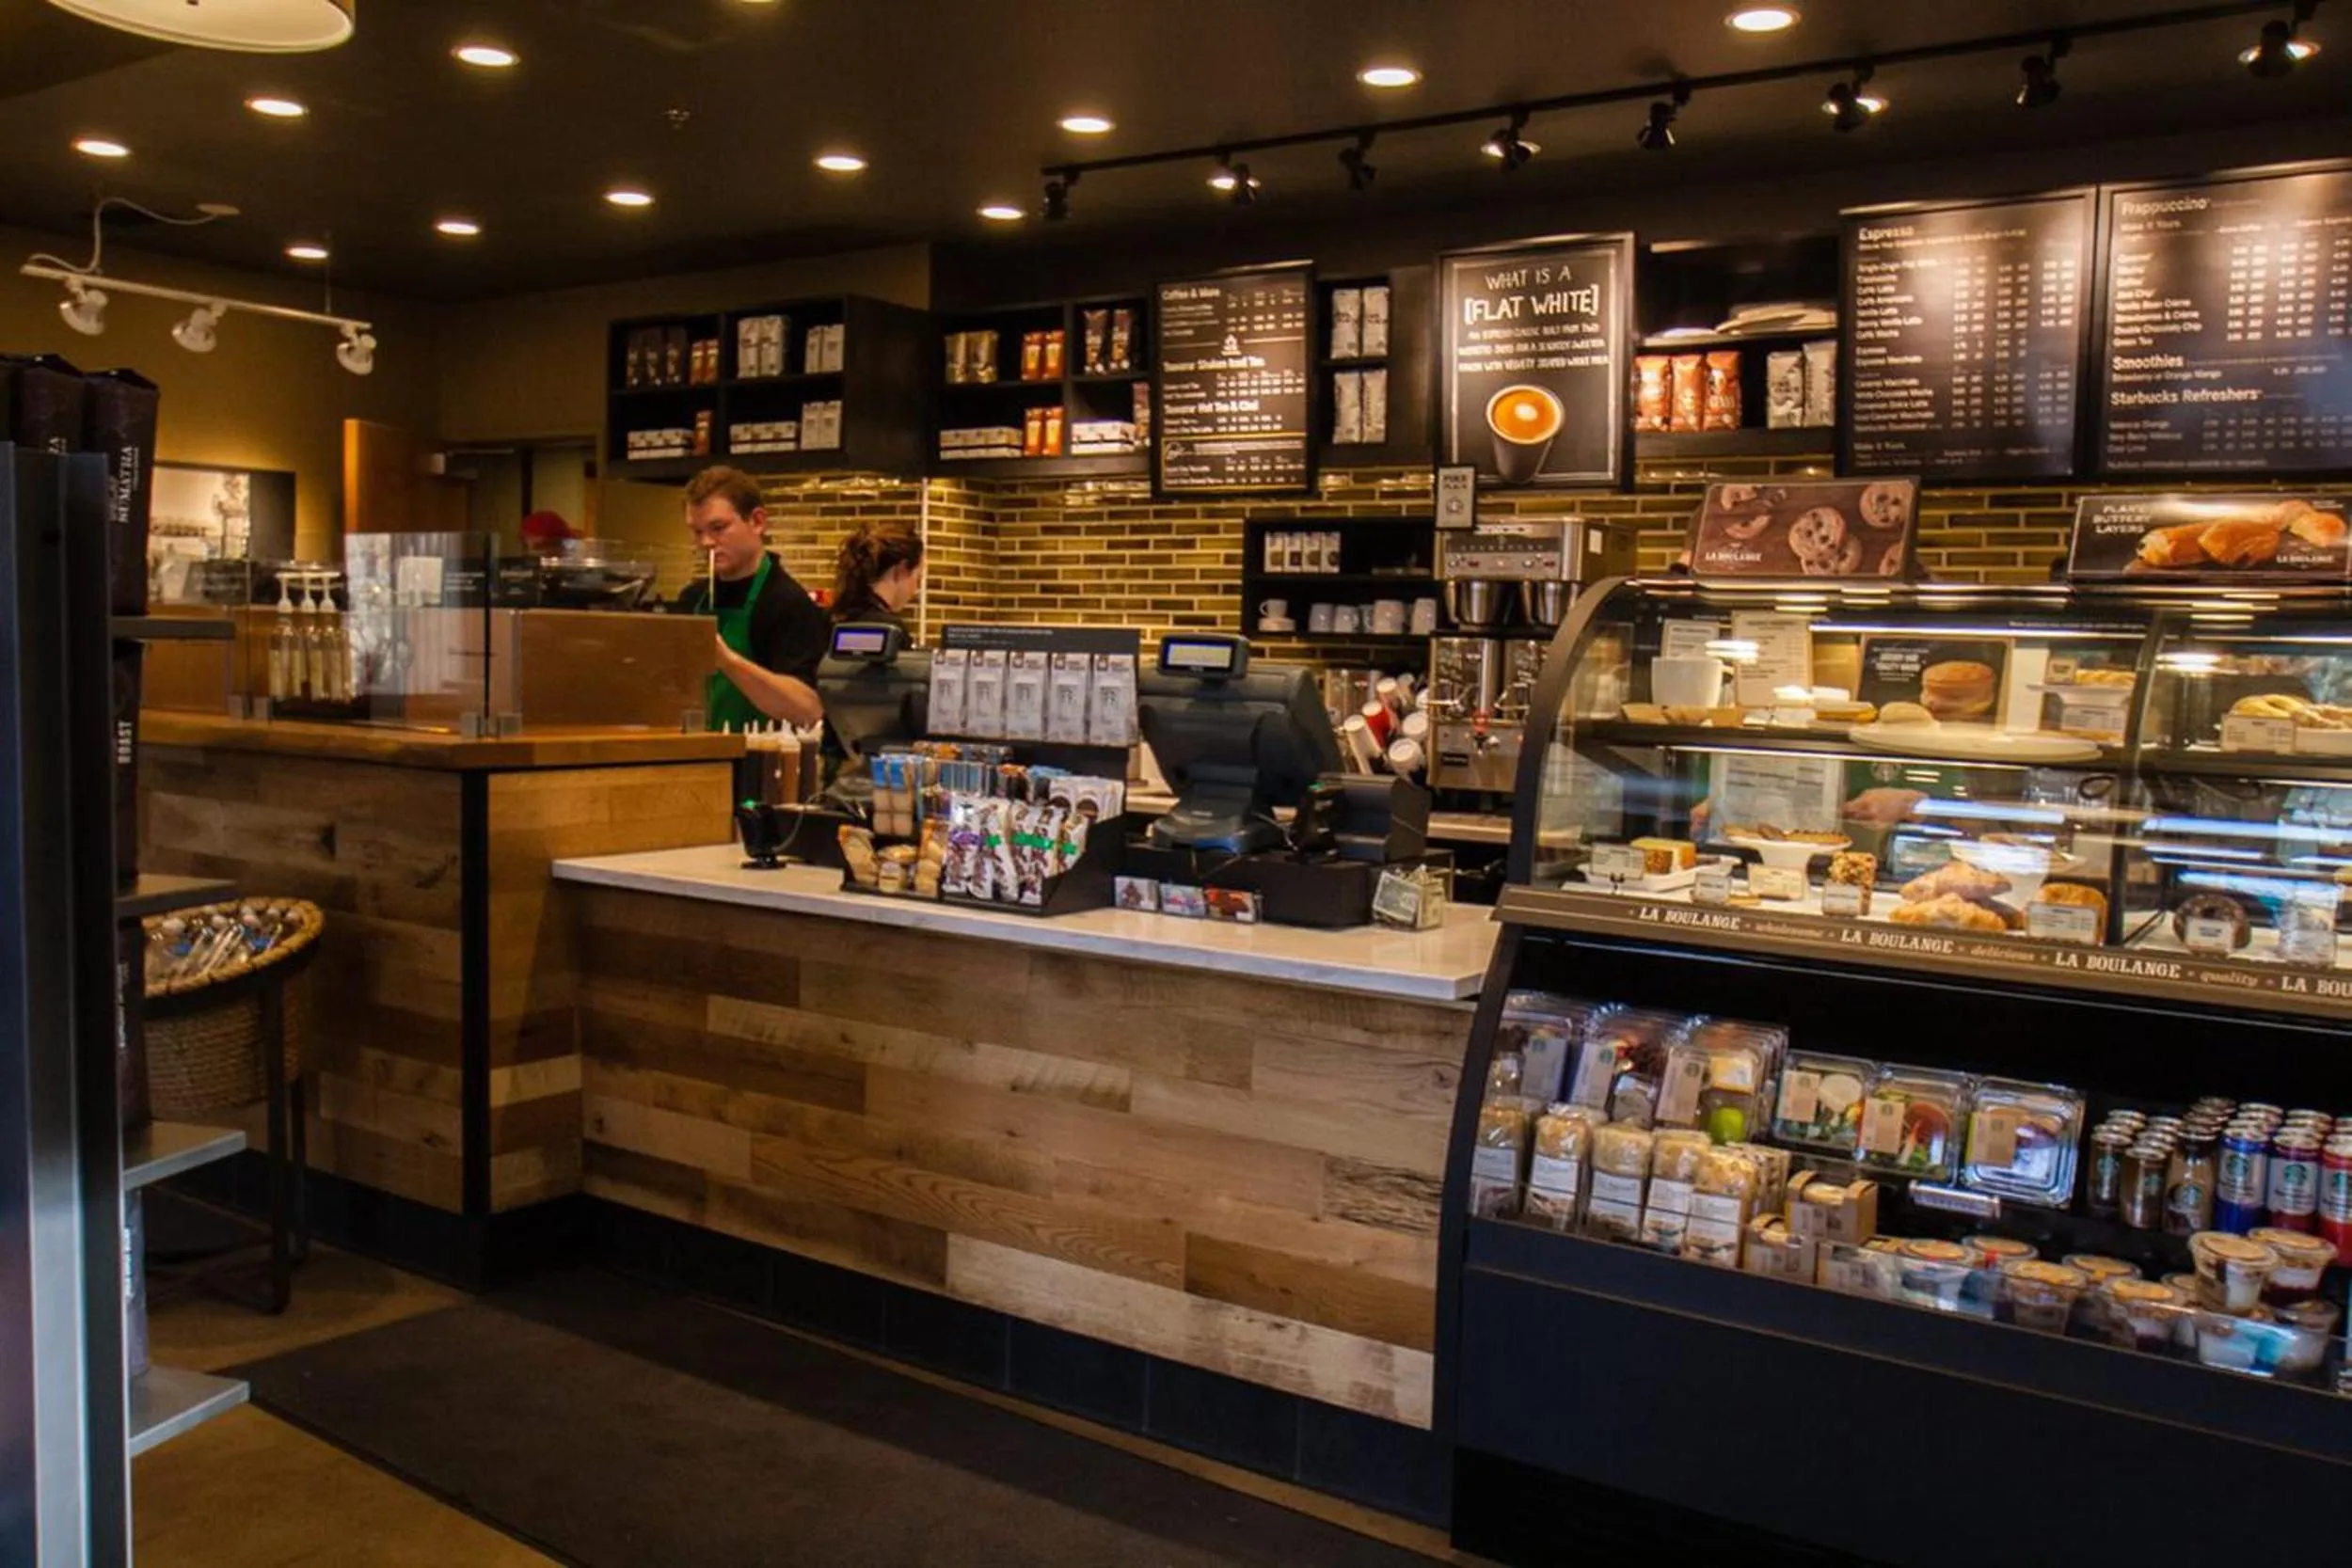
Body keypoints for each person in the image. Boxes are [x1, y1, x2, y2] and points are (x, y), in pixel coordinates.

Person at [672, 466, 830, 729]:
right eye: (697, 531)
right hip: (697, 749)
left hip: (759, 752)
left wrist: (727, 660)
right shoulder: (692, 598)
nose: (706, 542)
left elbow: (808, 709)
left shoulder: (787, 602)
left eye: (718, 528)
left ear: (757, 521)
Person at [829, 517, 926, 634]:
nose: (915, 591)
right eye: (918, 578)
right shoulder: (890, 629)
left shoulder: (834, 619)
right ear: (902, 570)